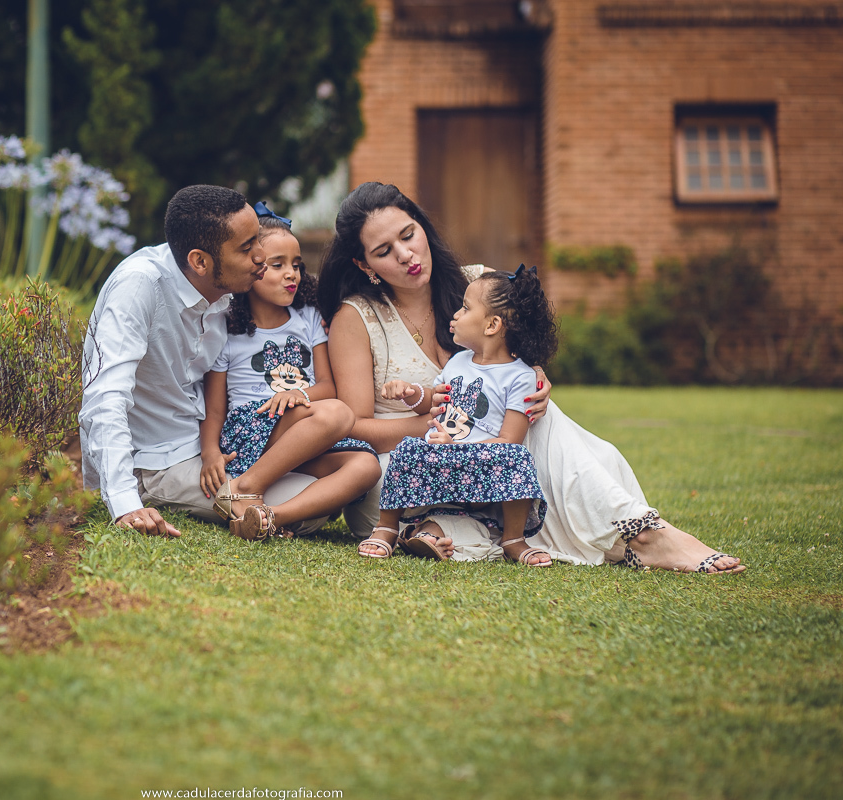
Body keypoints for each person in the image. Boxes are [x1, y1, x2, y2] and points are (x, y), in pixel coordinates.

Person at [319, 181, 745, 574]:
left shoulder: (478, 283)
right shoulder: (356, 318)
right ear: (364, 263)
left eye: (408, 235)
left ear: (422, 227)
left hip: (485, 455)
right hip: (405, 470)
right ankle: (630, 536)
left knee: (537, 415)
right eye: (384, 250)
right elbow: (353, 428)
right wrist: (440, 430)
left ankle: (642, 534)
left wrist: (535, 376)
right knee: (515, 438)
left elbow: (518, 353)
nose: (406, 255)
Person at [80, 186, 332, 538]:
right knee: (309, 506)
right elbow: (105, 396)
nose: (261, 256)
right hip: (157, 460)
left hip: (214, 445)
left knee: (331, 484)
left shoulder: (227, 284)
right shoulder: (138, 286)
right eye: (247, 247)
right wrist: (125, 503)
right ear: (200, 262)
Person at [199, 204, 381, 540]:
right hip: (252, 427)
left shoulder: (308, 317)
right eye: (277, 264)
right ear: (252, 267)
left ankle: (268, 517)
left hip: (300, 429)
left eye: (296, 265)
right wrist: (210, 451)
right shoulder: (226, 327)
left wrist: (298, 393)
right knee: (338, 414)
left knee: (367, 467)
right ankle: (245, 487)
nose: (291, 274)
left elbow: (327, 386)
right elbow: (214, 409)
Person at [363, 265, 557, 566]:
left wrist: (458, 447)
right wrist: (411, 392)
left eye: (465, 308)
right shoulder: (458, 361)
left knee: (518, 459)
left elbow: (510, 440)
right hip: (438, 455)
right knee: (406, 449)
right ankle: (386, 528)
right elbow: (435, 400)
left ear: (492, 325)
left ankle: (514, 539)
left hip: (478, 462)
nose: (455, 314)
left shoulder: (520, 377)